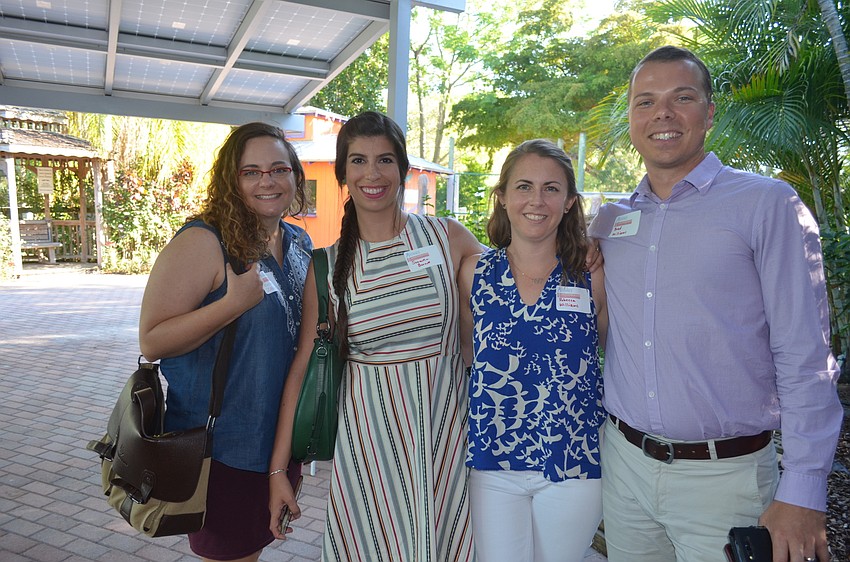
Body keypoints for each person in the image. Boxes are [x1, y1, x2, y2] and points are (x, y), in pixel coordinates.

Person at [587, 45, 843, 562]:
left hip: (727, 482)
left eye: (682, 97)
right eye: (645, 101)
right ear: (632, 119)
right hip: (625, 470)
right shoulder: (610, 221)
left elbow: (806, 354)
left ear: (708, 112)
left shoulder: (766, 204)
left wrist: (804, 488)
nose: (662, 113)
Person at [267, 111, 483, 561]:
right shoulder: (325, 267)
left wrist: (583, 254)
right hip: (369, 453)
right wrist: (277, 472)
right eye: (359, 161)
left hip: (445, 444)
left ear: (403, 168)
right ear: (344, 173)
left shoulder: (447, 237)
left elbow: (516, 286)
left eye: (385, 160)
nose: (373, 173)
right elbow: (303, 366)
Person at [139, 122, 312, 562]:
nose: (267, 181)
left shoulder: (296, 242)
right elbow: (153, 340)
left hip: (276, 442)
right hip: (221, 449)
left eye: (278, 168)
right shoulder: (205, 241)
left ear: (296, 175)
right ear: (231, 181)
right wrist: (231, 304)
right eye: (250, 172)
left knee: (251, 550)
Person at [458, 139, 608, 562]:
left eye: (551, 189)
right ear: (502, 197)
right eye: (523, 187)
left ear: (569, 201)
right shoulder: (474, 273)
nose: (536, 201)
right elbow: (468, 353)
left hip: (573, 462)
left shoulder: (590, 274)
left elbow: (608, 353)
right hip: (493, 462)